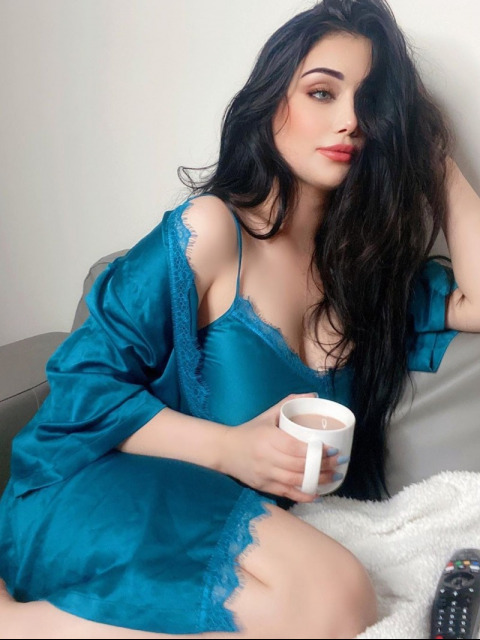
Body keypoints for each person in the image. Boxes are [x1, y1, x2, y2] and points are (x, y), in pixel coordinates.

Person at [1, 0, 480, 637]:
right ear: (271, 100)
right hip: (95, 487)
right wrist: (231, 448)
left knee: (334, 603)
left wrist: (436, 157)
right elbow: (79, 389)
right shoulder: (211, 232)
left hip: (217, 521)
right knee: (337, 598)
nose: (349, 121)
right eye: (321, 92)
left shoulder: (369, 278)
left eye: (369, 103)